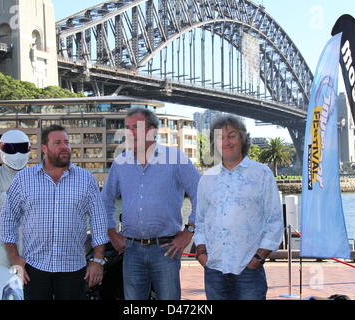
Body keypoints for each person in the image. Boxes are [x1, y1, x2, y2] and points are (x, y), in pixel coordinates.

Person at [101, 107, 200, 300]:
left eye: (135, 127)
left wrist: (189, 231)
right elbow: (105, 201)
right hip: (131, 250)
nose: (129, 133)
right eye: (127, 128)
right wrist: (112, 232)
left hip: (166, 249)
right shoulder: (121, 163)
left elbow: (202, 195)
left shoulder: (176, 159)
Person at [0, 125, 109, 300]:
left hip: (73, 269)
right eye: (57, 142)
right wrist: (14, 258)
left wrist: (97, 261)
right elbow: (8, 219)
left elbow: (99, 221)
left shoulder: (86, 179)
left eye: (66, 142)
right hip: (34, 268)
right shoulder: (23, 179)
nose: (64, 146)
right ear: (44, 148)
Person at [194, 115, 284, 300]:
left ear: (243, 139)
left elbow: (274, 221)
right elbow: (201, 220)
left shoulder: (262, 174)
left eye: (232, 136)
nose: (226, 142)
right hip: (214, 268)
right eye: (220, 137)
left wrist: (258, 258)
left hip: (248, 269)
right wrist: (201, 253)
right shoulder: (207, 178)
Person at [0, 129, 30, 268]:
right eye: (11, 149)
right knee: (1, 282)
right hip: (2, 243)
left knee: (31, 287)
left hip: (31, 242)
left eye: (21, 148)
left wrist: (6, 195)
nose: (17, 153)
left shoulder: (36, 175)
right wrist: (25, 196)